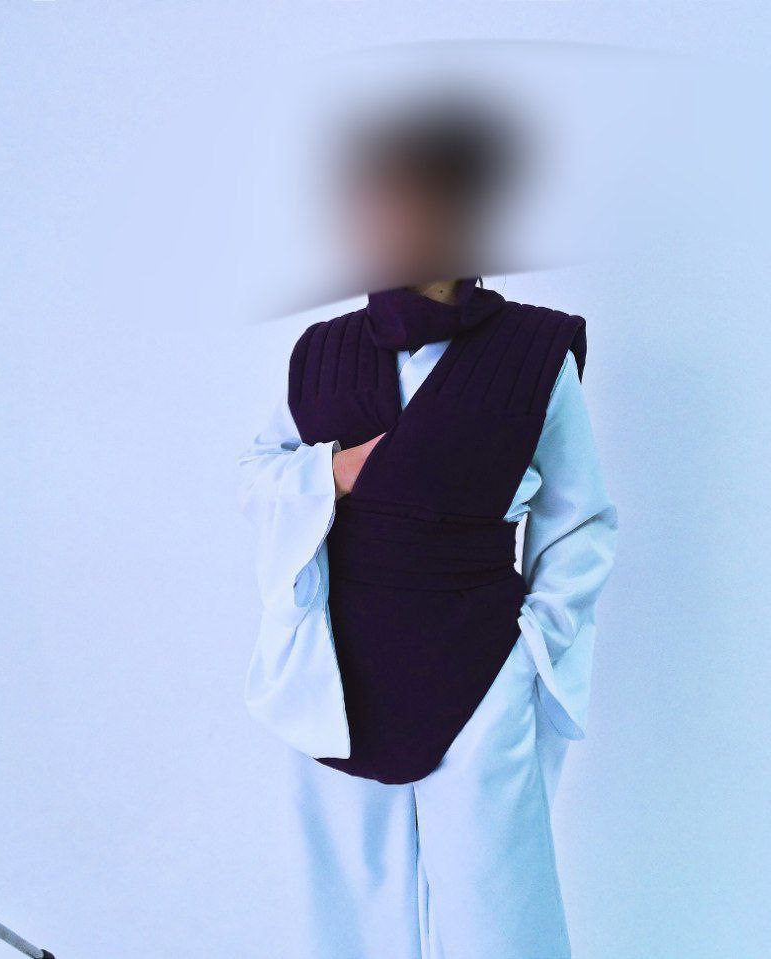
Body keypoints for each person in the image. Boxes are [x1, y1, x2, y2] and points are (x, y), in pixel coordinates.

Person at [237, 94, 618, 959]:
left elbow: (580, 519)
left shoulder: (534, 352)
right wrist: (331, 472)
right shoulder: (323, 351)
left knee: (498, 906)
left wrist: (536, 649)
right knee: (350, 905)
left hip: (480, 660)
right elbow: (257, 474)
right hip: (337, 664)